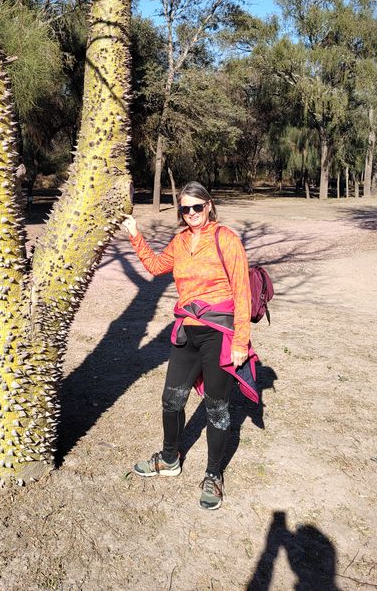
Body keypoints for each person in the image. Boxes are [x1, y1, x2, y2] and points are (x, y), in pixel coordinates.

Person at [121, 181, 258, 510]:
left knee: (217, 408)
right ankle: (169, 459)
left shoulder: (226, 239)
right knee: (171, 399)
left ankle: (213, 474)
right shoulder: (180, 241)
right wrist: (135, 234)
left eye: (198, 206)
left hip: (219, 335)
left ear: (209, 205)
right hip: (187, 333)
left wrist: (240, 341)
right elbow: (156, 267)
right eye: (186, 208)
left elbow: (242, 292)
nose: (192, 213)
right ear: (180, 211)